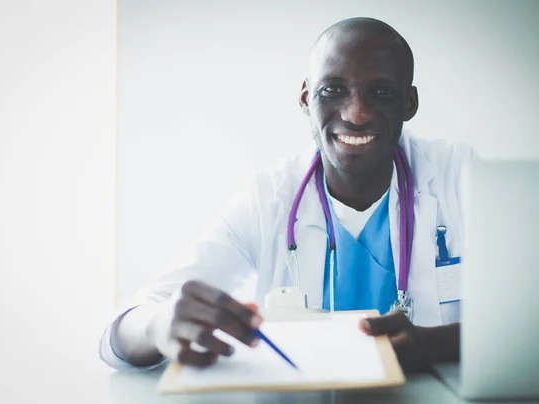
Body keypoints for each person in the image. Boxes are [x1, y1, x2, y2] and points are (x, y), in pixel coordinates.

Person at [100, 17, 475, 373]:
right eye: (332, 90)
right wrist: (156, 326)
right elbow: (119, 334)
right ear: (305, 99)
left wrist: (433, 344)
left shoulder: (460, 177)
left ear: (409, 103)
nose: (357, 113)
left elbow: (532, 321)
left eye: (381, 92)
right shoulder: (267, 198)